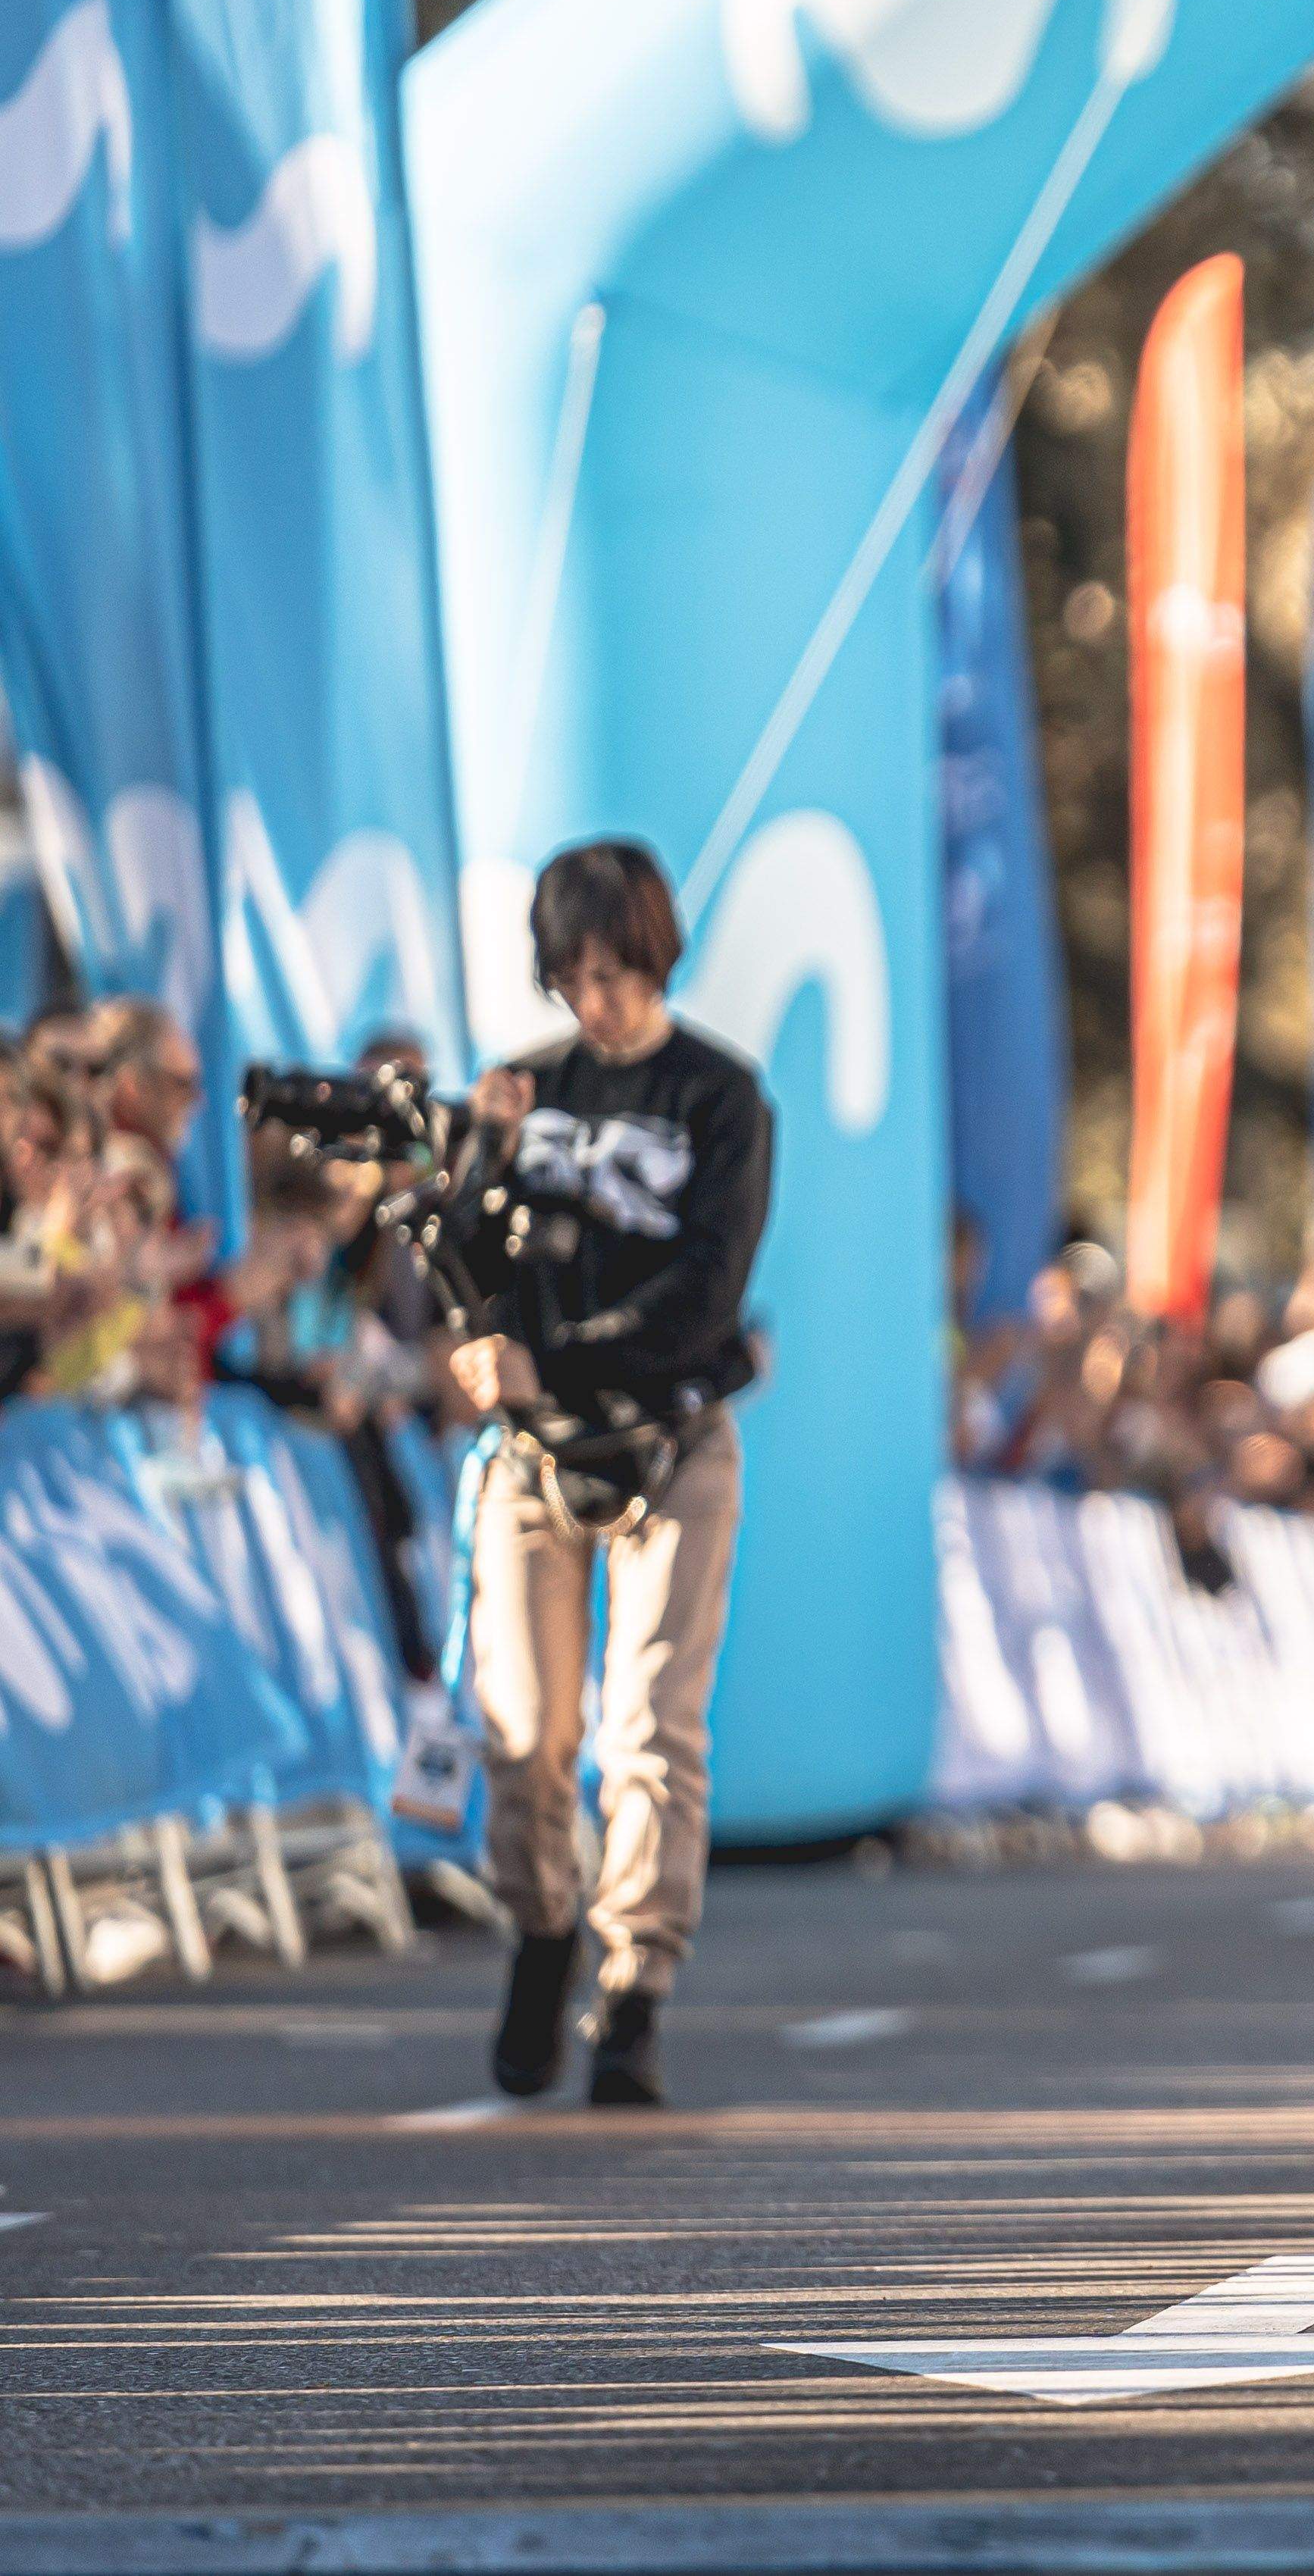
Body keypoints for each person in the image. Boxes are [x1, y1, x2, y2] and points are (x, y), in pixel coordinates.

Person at [448, 842, 775, 2110]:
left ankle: (635, 1982)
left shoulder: (719, 1096)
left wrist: (557, 1361)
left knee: (650, 1726)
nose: (597, 999)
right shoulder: (524, 1088)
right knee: (527, 1731)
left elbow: (711, 1290)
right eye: (573, 976)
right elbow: (462, 1272)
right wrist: (479, 1158)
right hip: (534, 1458)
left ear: (656, 955)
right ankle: (541, 1931)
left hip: (674, 1444)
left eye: (617, 970)